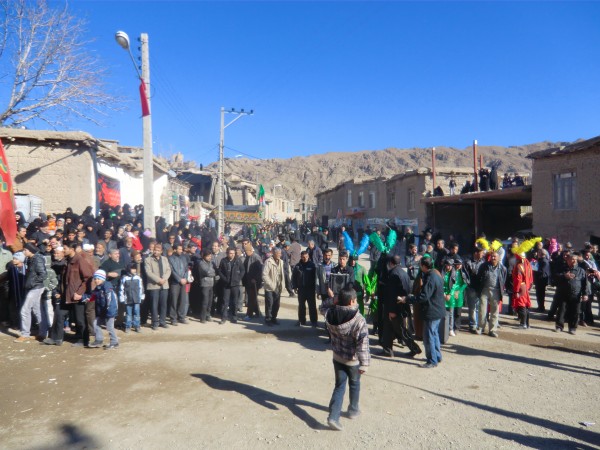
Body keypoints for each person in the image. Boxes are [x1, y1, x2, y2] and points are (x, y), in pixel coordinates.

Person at [325, 287, 370, 431]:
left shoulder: (330, 313)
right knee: (355, 384)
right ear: (352, 302)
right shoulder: (359, 319)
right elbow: (363, 344)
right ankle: (353, 410)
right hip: (352, 360)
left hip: (337, 357)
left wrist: (333, 300)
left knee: (339, 386)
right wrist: (364, 364)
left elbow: (322, 307)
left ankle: (333, 417)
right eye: (355, 300)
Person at [403, 256, 445, 368]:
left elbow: (424, 296)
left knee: (428, 336)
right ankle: (437, 356)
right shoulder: (436, 273)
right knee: (434, 334)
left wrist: (408, 299)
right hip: (438, 310)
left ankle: (432, 360)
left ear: (423, 266)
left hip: (432, 311)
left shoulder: (430, 277)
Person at [380, 255, 421, 358]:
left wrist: (391, 310)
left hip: (395, 307)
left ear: (391, 263)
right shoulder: (403, 273)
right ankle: (388, 349)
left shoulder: (393, 274)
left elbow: (392, 294)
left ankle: (414, 348)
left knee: (400, 330)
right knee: (391, 329)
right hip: (402, 305)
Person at [14, 243, 47, 343]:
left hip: (36, 288)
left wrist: (33, 283)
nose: (24, 252)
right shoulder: (30, 259)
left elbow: (43, 274)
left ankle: (25, 334)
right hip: (33, 287)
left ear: (30, 250)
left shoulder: (37, 259)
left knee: (25, 310)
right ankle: (43, 333)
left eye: (25, 250)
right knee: (37, 310)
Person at [554, 252, 589, 334]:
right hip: (563, 293)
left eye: (575, 259)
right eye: (571, 259)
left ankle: (572, 328)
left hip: (576, 294)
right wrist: (564, 276)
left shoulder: (581, 270)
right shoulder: (562, 268)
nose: (573, 261)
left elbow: (585, 283)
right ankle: (559, 326)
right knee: (561, 310)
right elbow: (555, 278)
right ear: (567, 260)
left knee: (575, 312)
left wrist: (585, 294)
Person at [477, 251, 507, 337]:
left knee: (495, 311)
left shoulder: (503, 268)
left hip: (496, 291)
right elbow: (479, 276)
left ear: (499, 258)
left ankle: (492, 330)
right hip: (485, 290)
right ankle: (481, 327)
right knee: (482, 310)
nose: (493, 258)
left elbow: (503, 279)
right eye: (492, 256)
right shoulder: (484, 266)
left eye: (495, 257)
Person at [88, 270, 119, 350]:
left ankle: (114, 342)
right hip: (101, 310)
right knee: (95, 323)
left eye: (98, 279)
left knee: (109, 327)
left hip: (109, 310)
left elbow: (109, 298)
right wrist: (83, 298)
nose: (96, 280)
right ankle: (99, 340)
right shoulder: (97, 288)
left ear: (103, 279)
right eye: (95, 279)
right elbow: (92, 297)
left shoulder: (107, 286)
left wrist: (108, 309)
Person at [144, 243, 172, 330]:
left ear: (161, 251)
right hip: (154, 285)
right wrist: (158, 280)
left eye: (158, 250)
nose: (156, 252)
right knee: (154, 305)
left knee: (163, 304)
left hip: (164, 285)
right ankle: (155, 322)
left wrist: (164, 279)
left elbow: (168, 270)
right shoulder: (148, 259)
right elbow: (148, 272)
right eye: (155, 250)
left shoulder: (165, 259)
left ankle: (162, 321)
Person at [218, 247, 245, 324]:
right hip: (226, 285)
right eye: (230, 253)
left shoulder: (238, 260)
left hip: (235, 284)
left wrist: (238, 278)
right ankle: (223, 317)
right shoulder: (223, 261)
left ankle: (234, 316)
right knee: (225, 302)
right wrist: (224, 279)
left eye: (233, 253)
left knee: (235, 302)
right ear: (227, 253)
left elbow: (242, 270)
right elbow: (220, 271)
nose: (232, 255)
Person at [291, 250, 317, 327]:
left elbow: (316, 278)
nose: (305, 258)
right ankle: (301, 320)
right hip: (301, 289)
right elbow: (294, 277)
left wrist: (316, 288)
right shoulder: (297, 266)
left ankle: (314, 321)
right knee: (301, 306)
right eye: (303, 257)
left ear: (308, 256)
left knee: (312, 306)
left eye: (306, 257)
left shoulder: (312, 265)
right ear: (301, 257)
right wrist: (294, 286)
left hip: (310, 289)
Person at [262, 247, 285, 326]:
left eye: (280, 253)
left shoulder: (281, 262)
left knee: (276, 304)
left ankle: (274, 318)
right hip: (270, 288)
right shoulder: (268, 262)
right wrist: (271, 285)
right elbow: (264, 275)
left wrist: (283, 285)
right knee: (269, 304)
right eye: (277, 253)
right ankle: (268, 319)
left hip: (278, 287)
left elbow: (282, 274)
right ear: (273, 253)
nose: (279, 255)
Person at [119, 263, 145, 333]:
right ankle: (128, 326)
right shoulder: (124, 278)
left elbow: (141, 288)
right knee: (128, 314)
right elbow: (122, 289)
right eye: (132, 269)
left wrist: (142, 297)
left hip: (137, 299)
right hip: (128, 299)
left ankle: (137, 326)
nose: (134, 270)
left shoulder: (138, 278)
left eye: (134, 269)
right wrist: (122, 298)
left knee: (137, 313)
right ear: (128, 269)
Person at [168, 244, 190, 326]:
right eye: (179, 249)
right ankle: (173, 318)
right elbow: (172, 271)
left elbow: (186, 269)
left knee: (182, 300)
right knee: (174, 301)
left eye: (181, 249)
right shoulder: (170, 259)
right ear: (175, 250)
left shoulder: (183, 258)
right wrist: (179, 279)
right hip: (175, 282)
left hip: (183, 282)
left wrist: (185, 278)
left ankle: (181, 317)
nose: (181, 251)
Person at [241, 239, 263, 320]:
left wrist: (256, 279)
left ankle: (249, 314)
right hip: (248, 281)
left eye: (247, 251)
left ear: (250, 250)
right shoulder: (247, 257)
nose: (246, 253)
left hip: (254, 282)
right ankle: (257, 312)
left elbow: (260, 270)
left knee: (251, 299)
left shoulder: (256, 257)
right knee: (252, 298)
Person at [194, 249, 215, 323]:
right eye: (208, 256)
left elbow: (214, 271)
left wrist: (212, 272)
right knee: (205, 301)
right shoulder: (201, 263)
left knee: (210, 301)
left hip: (211, 284)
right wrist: (213, 273)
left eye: (210, 256)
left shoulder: (211, 263)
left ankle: (208, 315)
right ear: (204, 256)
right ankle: (202, 317)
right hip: (205, 284)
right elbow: (207, 272)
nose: (210, 257)